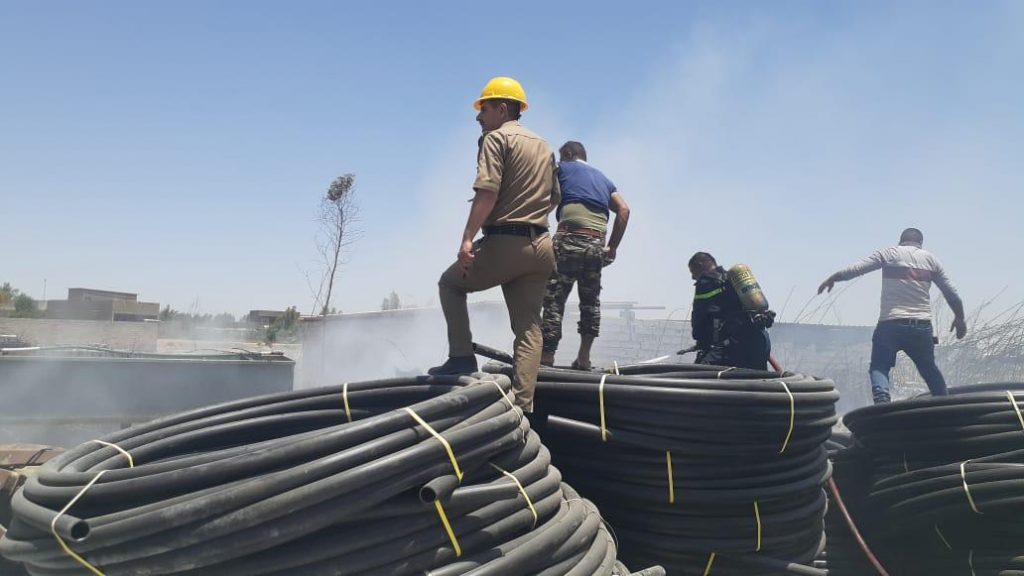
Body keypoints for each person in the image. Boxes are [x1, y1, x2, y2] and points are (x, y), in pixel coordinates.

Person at [428, 77, 559, 413]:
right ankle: (523, 409)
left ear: (502, 109)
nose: (478, 116)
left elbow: (487, 191)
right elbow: (555, 198)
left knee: (450, 284)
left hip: (506, 243)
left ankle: (461, 357)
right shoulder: (544, 146)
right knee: (529, 329)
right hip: (542, 245)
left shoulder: (496, 139)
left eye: (483, 109)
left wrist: (467, 238)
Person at [818, 227, 967, 403]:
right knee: (929, 369)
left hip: (891, 324)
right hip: (921, 326)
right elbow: (951, 292)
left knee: (879, 367)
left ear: (901, 241)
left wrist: (834, 278)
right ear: (920, 243)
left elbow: (857, 269)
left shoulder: (890, 253)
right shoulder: (931, 260)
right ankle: (946, 406)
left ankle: (882, 403)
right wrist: (959, 317)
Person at [539, 141, 630, 370]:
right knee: (590, 302)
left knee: (554, 298)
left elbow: (547, 199)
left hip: (568, 239)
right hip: (596, 245)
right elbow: (624, 209)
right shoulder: (604, 179)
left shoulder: (562, 168)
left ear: (568, 153)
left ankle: (547, 356)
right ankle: (584, 358)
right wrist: (612, 247)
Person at [686, 252, 772, 370]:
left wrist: (702, 345)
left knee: (696, 375)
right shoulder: (734, 280)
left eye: (693, 272)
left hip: (733, 349)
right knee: (758, 379)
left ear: (700, 265)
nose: (693, 277)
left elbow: (699, 321)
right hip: (759, 344)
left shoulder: (707, 282)